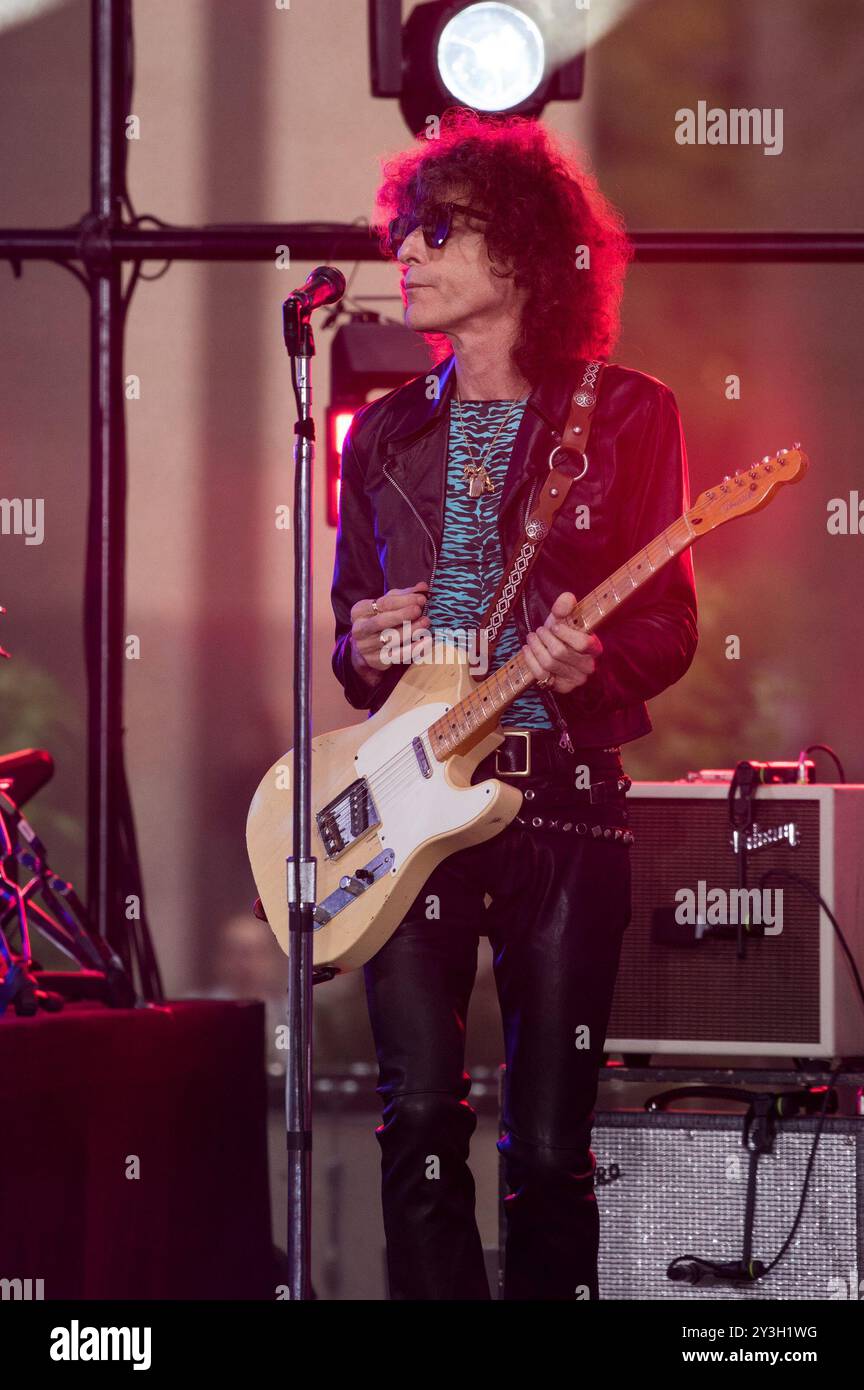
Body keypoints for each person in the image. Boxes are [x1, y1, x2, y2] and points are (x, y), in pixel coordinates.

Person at [329, 109, 698, 1300]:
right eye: (409, 230)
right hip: (413, 809)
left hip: (564, 813)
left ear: (529, 258)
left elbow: (669, 626)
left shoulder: (630, 415)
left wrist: (595, 665)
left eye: (444, 233)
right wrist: (364, 634)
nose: (411, 254)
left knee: (547, 1148)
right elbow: (352, 645)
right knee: (420, 1123)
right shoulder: (381, 432)